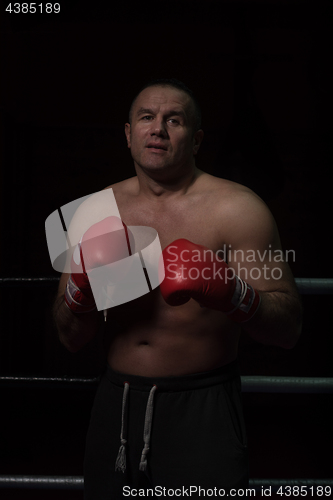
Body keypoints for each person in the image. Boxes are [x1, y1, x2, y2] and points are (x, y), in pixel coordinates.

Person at [53, 78, 302, 498]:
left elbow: (288, 328)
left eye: (175, 120)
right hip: (117, 404)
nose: (158, 129)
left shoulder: (238, 209)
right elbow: (69, 337)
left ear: (197, 138)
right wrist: (79, 296)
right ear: (129, 134)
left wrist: (233, 293)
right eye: (146, 118)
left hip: (204, 408)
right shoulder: (93, 212)